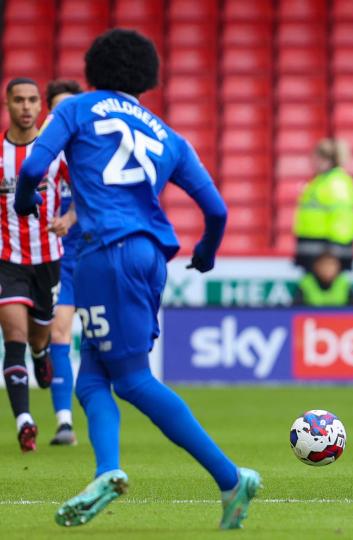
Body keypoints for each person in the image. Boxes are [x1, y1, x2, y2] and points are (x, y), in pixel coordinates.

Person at [14, 29, 259, 528]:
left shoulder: (78, 109)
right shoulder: (167, 134)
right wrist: (206, 254)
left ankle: (232, 477)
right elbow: (216, 209)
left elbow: (35, 164)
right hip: (150, 257)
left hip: (106, 251)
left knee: (131, 379)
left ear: (94, 68)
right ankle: (108, 471)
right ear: (147, 77)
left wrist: (24, 201)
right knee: (93, 377)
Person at [0, 77, 69, 453]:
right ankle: (25, 421)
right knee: (14, 337)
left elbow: (86, 194)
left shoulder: (54, 154)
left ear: (40, 106)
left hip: (48, 260)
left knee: (39, 337)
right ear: (8, 105)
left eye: (32, 101)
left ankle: (42, 356)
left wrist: (70, 219)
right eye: (18, 100)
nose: (25, 107)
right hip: (7, 260)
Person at [43, 78, 84, 446]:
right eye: (58, 109)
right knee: (59, 334)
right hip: (61, 260)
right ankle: (64, 422)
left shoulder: (97, 154)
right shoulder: (43, 158)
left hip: (100, 257)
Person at [292, 138, 353, 290]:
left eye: (316, 158)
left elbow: (341, 219)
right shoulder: (320, 181)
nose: (313, 162)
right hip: (313, 247)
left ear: (326, 160)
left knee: (330, 294)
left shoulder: (336, 183)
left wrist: (333, 251)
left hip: (326, 250)